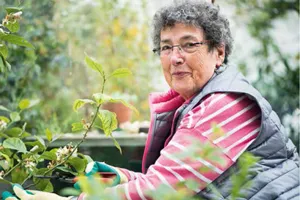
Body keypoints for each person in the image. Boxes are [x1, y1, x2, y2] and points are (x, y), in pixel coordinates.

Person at [2, 0, 299, 200]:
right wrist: (118, 176)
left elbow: (162, 191)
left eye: (189, 45)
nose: (175, 58)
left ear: (218, 52)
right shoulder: (195, 102)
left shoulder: (225, 104)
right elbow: (175, 177)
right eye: (166, 47)